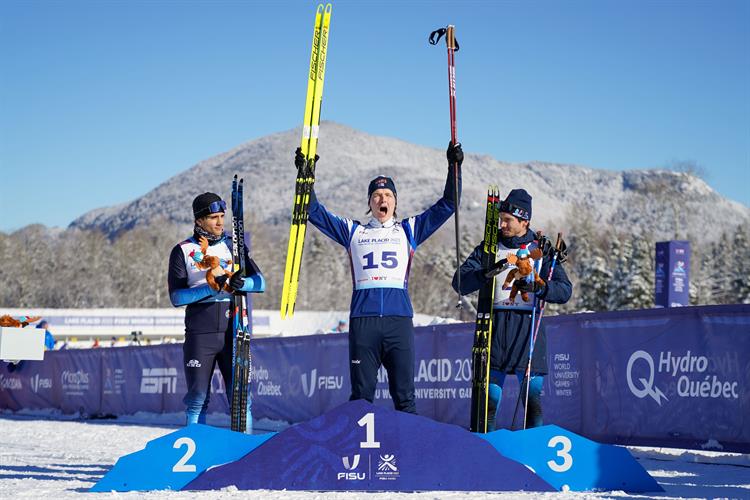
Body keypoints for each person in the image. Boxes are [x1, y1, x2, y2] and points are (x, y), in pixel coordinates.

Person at [301, 142, 463, 413]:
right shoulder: (353, 231)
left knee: (405, 397)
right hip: (363, 322)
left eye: (388, 194)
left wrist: (454, 167)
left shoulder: (408, 229)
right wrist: (306, 177)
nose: (382, 199)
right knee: (361, 398)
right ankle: (358, 454)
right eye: (376, 195)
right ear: (369, 203)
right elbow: (313, 212)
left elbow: (448, 204)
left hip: (398, 321)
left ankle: (408, 452)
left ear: (395, 202)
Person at [452, 188, 572, 430]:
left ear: (524, 221)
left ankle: (535, 455)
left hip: (528, 332)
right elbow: (460, 282)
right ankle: (487, 454)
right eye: (500, 219)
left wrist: (540, 286)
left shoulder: (541, 249)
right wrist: (485, 273)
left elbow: (564, 290)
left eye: (508, 220)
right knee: (488, 404)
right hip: (493, 330)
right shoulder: (488, 246)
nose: (502, 224)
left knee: (532, 401)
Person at [168, 192, 265, 428]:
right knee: (197, 399)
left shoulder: (234, 246)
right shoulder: (182, 250)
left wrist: (244, 284)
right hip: (201, 334)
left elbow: (261, 282)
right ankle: (195, 455)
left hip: (235, 331)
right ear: (199, 220)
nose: (220, 222)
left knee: (241, 401)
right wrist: (212, 289)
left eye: (222, 216)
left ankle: (243, 454)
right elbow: (177, 297)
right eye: (213, 217)